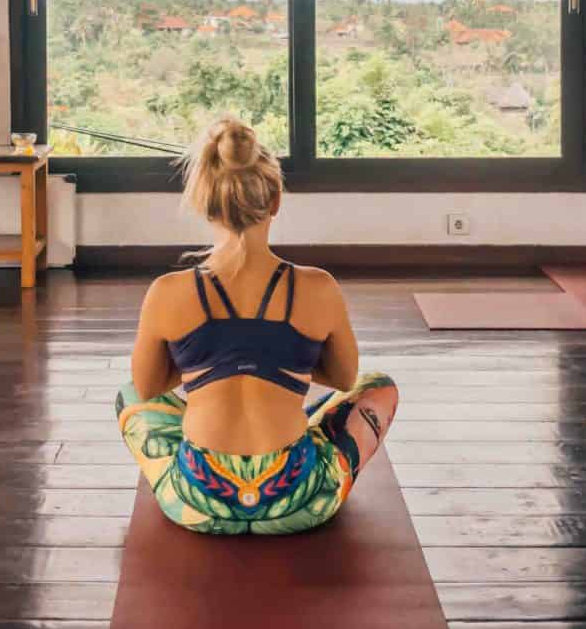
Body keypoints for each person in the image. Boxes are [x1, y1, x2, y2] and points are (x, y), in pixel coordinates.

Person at [115, 117, 398, 535]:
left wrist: (207, 364)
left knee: (127, 397)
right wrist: (284, 361)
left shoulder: (167, 292)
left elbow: (148, 386)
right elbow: (344, 378)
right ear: (276, 199)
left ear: (202, 202)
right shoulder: (319, 287)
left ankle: (202, 461)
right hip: (300, 500)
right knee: (379, 386)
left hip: (198, 502)